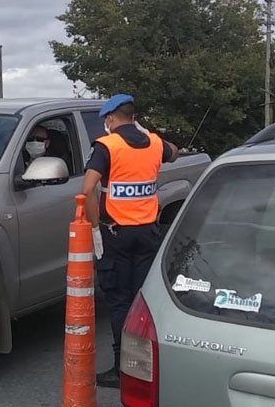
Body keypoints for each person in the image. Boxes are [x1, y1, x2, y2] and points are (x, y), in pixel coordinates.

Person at [81, 94, 179, 389]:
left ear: (110, 119)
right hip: (148, 234)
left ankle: (123, 370)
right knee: (143, 302)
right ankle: (147, 366)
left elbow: (87, 191)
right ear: (133, 116)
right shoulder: (153, 143)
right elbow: (174, 152)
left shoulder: (107, 146)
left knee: (120, 301)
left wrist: (95, 229)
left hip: (116, 236)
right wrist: (149, 133)